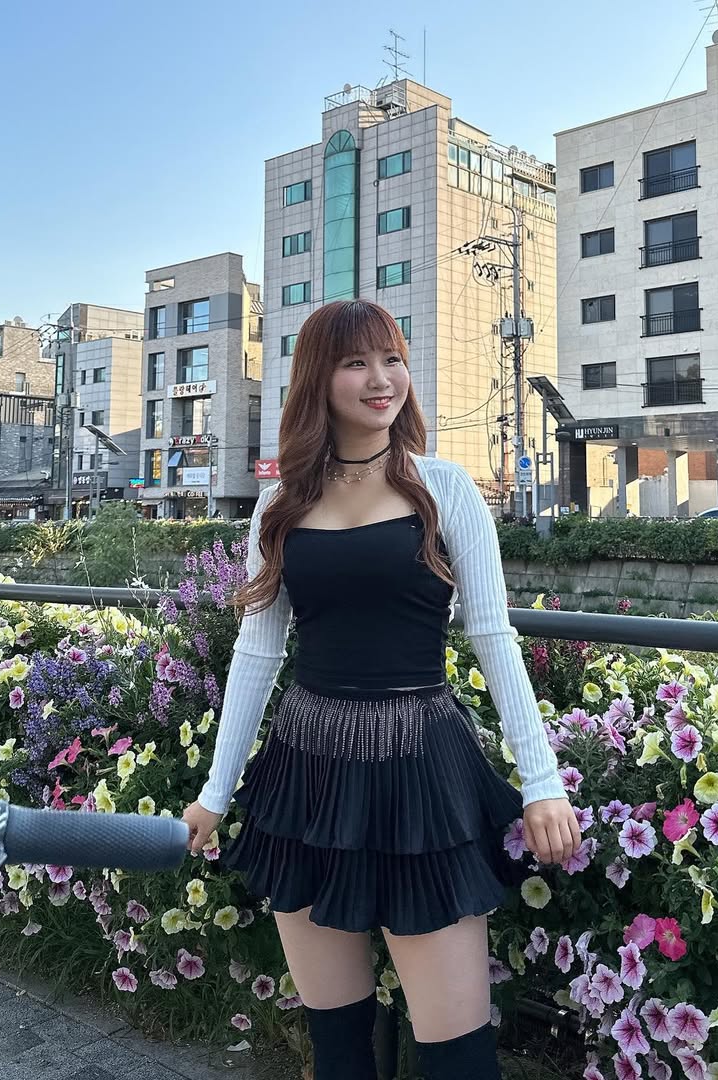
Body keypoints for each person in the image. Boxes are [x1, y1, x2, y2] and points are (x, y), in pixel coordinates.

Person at [183, 300, 580, 1079]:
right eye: (356, 363)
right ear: (318, 379)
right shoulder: (280, 503)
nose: (382, 379)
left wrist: (542, 783)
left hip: (419, 778)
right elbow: (257, 654)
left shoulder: (444, 488)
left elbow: (493, 634)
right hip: (305, 779)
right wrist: (215, 794)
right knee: (338, 1045)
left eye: (392, 359)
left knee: (457, 1055)